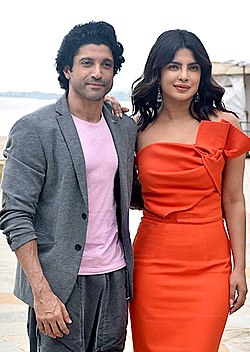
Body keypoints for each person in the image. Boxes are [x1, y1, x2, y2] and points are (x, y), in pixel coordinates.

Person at [0, 21, 137, 352]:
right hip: (59, 283)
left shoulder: (123, 128)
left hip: (114, 278)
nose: (97, 73)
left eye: (106, 65)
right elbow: (15, 216)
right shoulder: (35, 129)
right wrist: (41, 292)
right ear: (67, 70)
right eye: (87, 63)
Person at [128, 29, 250, 352]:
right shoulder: (136, 128)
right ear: (157, 71)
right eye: (174, 66)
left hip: (210, 268)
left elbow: (235, 201)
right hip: (152, 267)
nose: (184, 76)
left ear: (202, 74)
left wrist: (240, 267)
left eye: (193, 67)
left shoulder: (225, 126)